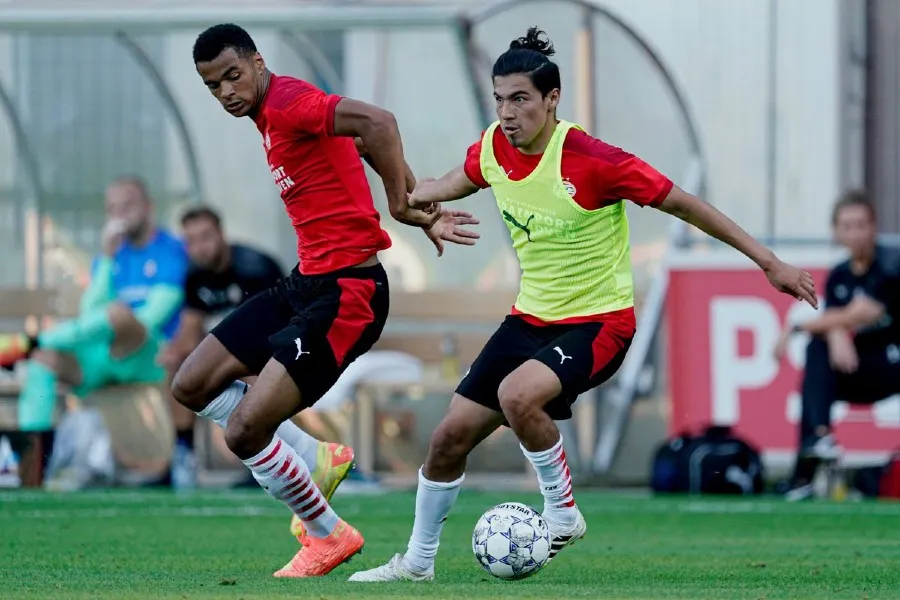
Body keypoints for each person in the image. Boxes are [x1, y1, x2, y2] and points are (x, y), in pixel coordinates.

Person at [348, 27, 817, 583]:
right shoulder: (494, 149)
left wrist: (768, 262)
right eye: (499, 98)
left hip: (599, 325)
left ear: (552, 100)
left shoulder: (594, 160)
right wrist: (406, 197)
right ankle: (418, 564)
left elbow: (688, 206)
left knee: (518, 395)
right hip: (528, 320)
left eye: (520, 99)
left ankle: (564, 515)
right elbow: (445, 183)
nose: (507, 112)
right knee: (448, 437)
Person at [173, 23, 479, 578]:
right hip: (305, 283)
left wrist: (402, 207)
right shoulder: (269, 114)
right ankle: (315, 457)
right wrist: (419, 203)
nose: (226, 94)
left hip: (348, 295)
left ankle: (327, 534)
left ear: (258, 62)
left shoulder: (288, 102)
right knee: (191, 383)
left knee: (243, 431)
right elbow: (362, 141)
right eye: (213, 87)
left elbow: (379, 123)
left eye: (233, 76)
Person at [0, 176, 188, 445]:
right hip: (102, 357)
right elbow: (90, 311)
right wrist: (109, 257)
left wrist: (116, 320)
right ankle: (33, 457)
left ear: (148, 207)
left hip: (149, 357)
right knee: (44, 359)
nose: (119, 213)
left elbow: (151, 319)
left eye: (128, 204)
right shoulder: (110, 255)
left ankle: (29, 342)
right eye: (113, 208)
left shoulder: (170, 249)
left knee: (119, 314)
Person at [774, 190, 900, 501]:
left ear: (873, 227)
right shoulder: (839, 275)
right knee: (817, 360)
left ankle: (819, 446)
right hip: (860, 367)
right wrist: (834, 333)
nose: (856, 233)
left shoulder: (890, 265)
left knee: (817, 340)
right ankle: (809, 464)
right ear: (837, 231)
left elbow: (863, 312)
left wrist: (798, 326)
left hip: (892, 364)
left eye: (862, 224)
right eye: (848, 225)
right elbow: (836, 318)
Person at [160, 205, 285, 490]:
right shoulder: (195, 276)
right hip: (232, 360)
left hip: (275, 358)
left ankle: (264, 462)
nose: (199, 248)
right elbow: (190, 330)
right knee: (179, 368)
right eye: (191, 241)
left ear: (221, 235)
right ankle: (183, 459)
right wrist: (175, 351)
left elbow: (274, 334)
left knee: (253, 377)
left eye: (205, 237)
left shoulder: (255, 268)